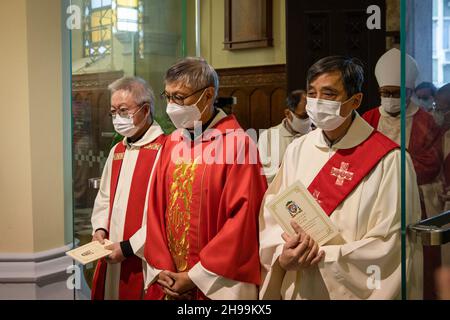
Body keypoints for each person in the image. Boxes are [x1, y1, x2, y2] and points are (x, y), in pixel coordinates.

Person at [259, 56, 422, 300]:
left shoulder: (391, 161)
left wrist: (323, 256)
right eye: (312, 93)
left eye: (329, 94)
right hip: (299, 282)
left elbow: (391, 245)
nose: (317, 102)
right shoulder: (297, 149)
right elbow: (273, 212)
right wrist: (284, 254)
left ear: (355, 100)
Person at [143, 57, 268, 300]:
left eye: (180, 97)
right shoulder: (172, 142)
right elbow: (155, 208)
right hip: (169, 278)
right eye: (167, 96)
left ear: (208, 95)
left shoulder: (237, 144)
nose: (171, 105)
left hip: (216, 281)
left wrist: (194, 277)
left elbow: (243, 220)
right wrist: (164, 269)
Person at [362, 48, 443, 299]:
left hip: (415, 200)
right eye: (385, 93)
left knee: (417, 267)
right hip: (375, 203)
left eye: (396, 94)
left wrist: (389, 171)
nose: (389, 98)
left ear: (409, 92)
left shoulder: (425, 121)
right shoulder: (368, 118)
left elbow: (430, 163)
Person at [90, 77, 166, 300]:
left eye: (123, 111)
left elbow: (164, 214)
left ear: (145, 109)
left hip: (142, 259)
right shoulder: (117, 151)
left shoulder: (165, 150)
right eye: (113, 112)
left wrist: (128, 248)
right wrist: (99, 230)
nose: (117, 118)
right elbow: (104, 197)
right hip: (111, 254)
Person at [258, 90, 312, 183]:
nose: (308, 120)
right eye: (304, 116)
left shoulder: (316, 136)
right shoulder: (268, 136)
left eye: (310, 115)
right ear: (288, 113)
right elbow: (261, 172)